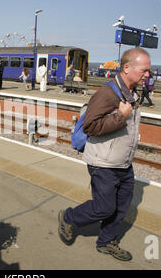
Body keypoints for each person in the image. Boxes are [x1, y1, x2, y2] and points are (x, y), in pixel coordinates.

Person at [58, 47, 149, 261]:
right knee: (104, 207)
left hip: (123, 163)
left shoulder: (133, 92)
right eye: (144, 70)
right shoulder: (107, 93)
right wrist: (121, 115)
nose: (147, 74)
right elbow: (90, 126)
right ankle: (69, 217)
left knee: (121, 207)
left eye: (149, 71)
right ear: (127, 68)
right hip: (103, 163)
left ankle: (106, 242)